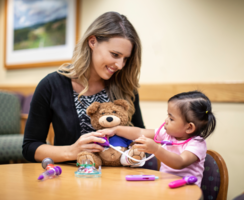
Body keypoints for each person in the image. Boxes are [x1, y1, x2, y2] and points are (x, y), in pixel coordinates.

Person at [22, 11, 145, 163]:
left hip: (120, 180)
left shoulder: (126, 87)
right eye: (115, 55)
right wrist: (71, 151)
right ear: (92, 42)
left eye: (125, 59)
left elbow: (140, 137)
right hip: (72, 180)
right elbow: (30, 147)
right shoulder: (51, 85)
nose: (120, 66)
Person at [99, 91, 216, 186]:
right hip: (165, 186)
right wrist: (116, 130)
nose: (166, 120)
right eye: (167, 115)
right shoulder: (167, 133)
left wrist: (156, 149)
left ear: (189, 127)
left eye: (171, 118)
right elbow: (140, 132)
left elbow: (180, 162)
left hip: (186, 191)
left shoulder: (197, 144)